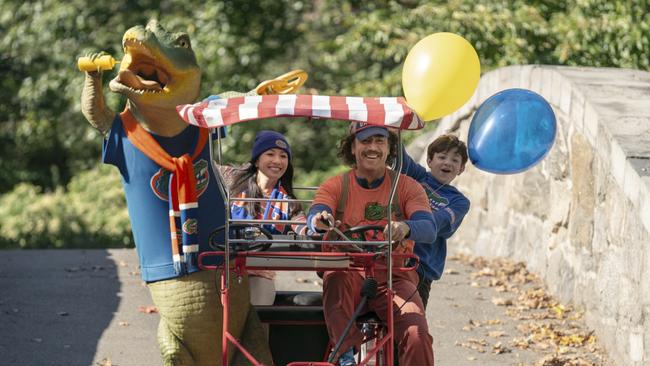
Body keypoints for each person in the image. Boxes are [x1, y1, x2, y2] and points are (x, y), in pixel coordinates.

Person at [307, 122, 436, 366]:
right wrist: (320, 219)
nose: (373, 147)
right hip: (348, 271)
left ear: (389, 148)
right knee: (334, 278)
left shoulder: (407, 186)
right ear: (352, 147)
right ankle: (346, 357)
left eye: (380, 141)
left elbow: (428, 228)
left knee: (417, 333)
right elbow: (318, 210)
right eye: (366, 141)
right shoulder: (336, 185)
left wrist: (405, 227)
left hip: (393, 276)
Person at [222, 130, 307, 305]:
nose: (277, 161)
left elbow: (303, 226)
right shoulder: (231, 179)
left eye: (283, 156)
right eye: (270, 154)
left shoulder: (289, 203)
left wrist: (317, 226)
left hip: (259, 274)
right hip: (221, 268)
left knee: (260, 307)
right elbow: (202, 167)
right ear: (257, 159)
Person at [400, 134, 470, 308]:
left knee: (413, 317)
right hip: (393, 257)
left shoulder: (459, 202)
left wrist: (407, 226)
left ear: (461, 169)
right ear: (429, 161)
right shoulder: (418, 176)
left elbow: (435, 223)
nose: (448, 163)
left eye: (455, 160)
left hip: (421, 267)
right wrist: (395, 132)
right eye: (442, 157)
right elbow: (400, 157)